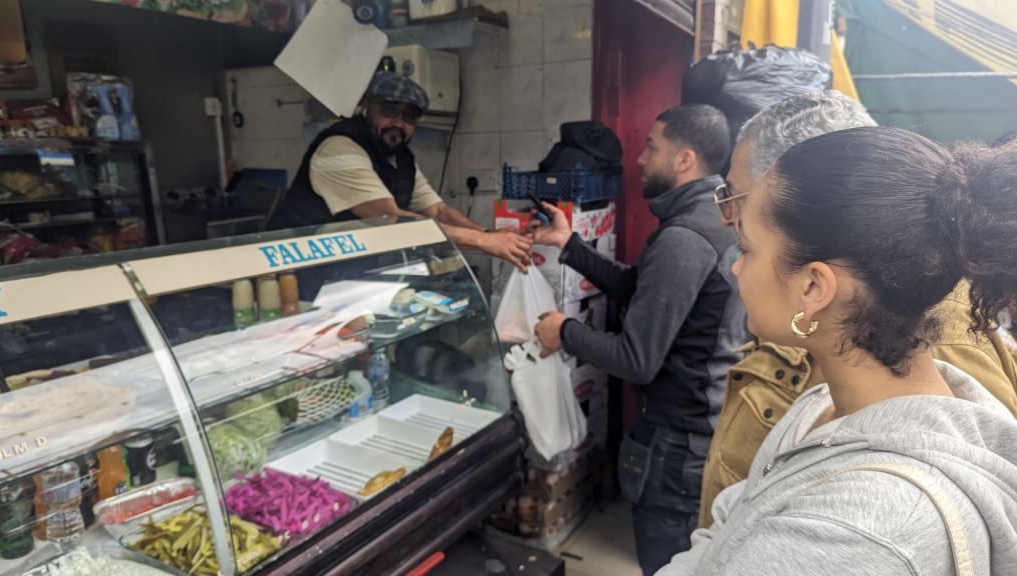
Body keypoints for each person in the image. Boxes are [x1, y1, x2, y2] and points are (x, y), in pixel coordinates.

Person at [657, 127, 1017, 576]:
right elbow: (731, 518)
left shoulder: (864, 534)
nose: (735, 267)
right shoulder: (820, 406)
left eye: (746, 248)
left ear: (813, 287)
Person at [531, 104, 747, 576]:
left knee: (665, 562)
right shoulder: (714, 215)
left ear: (685, 159)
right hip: (701, 429)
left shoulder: (686, 236)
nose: (641, 159)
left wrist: (563, 332)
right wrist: (569, 246)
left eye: (652, 146)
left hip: (678, 447)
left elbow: (635, 359)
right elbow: (638, 287)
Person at [270, 71, 531, 270]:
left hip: (347, 270)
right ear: (366, 108)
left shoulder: (400, 158)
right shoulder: (339, 149)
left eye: (409, 117)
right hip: (298, 269)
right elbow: (390, 219)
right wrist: (481, 242)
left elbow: (438, 210)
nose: (398, 123)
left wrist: (489, 235)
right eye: (389, 111)